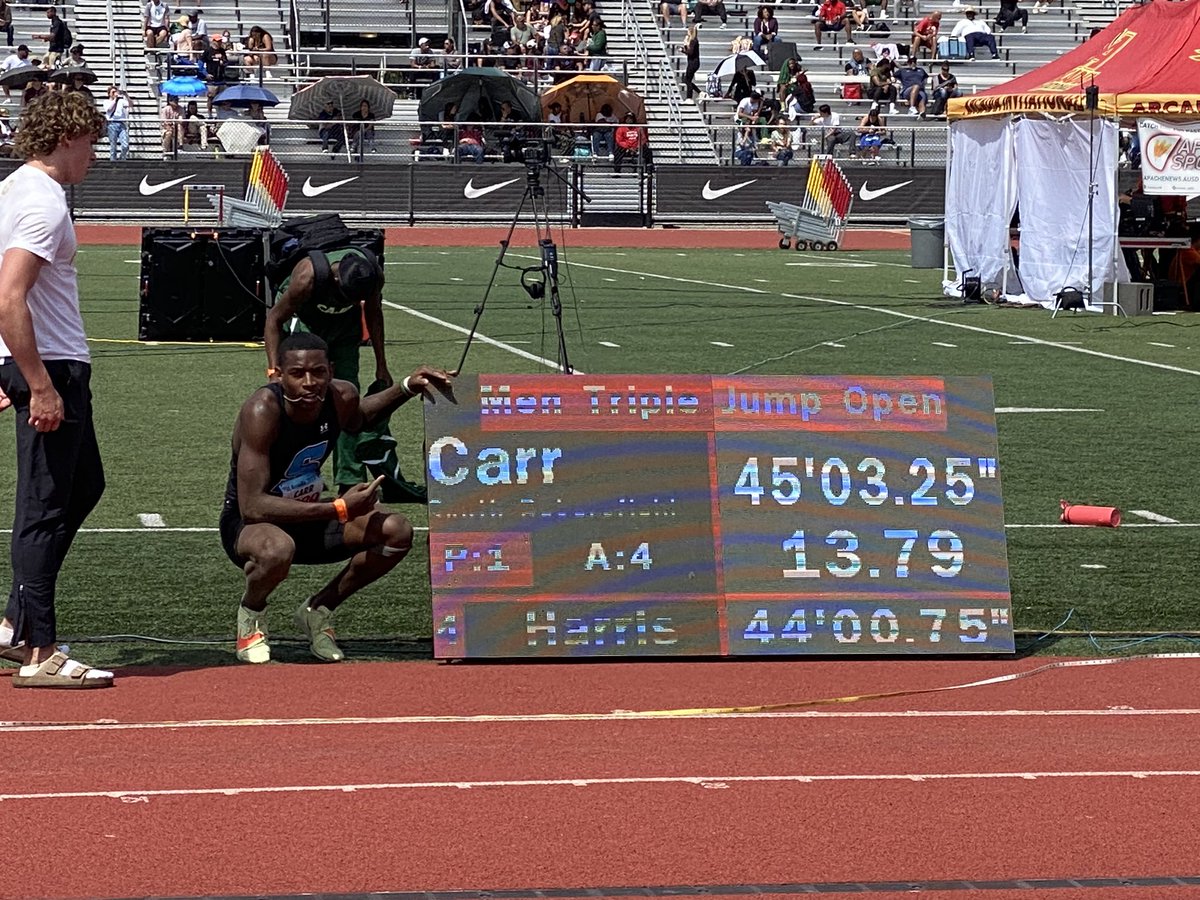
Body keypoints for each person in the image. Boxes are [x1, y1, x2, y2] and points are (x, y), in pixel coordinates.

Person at [223, 331, 454, 664]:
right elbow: (253, 505)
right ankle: (251, 614)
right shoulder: (262, 410)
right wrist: (340, 507)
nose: (309, 382)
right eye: (297, 374)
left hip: (311, 514)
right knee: (277, 550)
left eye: (318, 372)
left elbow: (361, 418)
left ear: (330, 370)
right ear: (278, 373)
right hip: (252, 525)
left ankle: (318, 610)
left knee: (396, 531)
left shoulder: (340, 396)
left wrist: (407, 385)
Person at [0, 91, 113, 688]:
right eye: (92, 141)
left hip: (42, 363)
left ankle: (17, 619)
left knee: (83, 485)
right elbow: (9, 296)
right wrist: (38, 385)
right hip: (53, 368)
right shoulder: (42, 202)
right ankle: (39, 652)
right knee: (42, 510)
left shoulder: (17, 187)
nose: (95, 154)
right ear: (68, 137)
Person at [263, 238, 392, 496]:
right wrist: (274, 370)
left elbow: (374, 315)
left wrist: (382, 364)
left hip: (344, 331)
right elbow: (274, 320)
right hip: (307, 327)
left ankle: (350, 479)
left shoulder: (372, 275)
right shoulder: (306, 279)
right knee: (304, 402)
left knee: (347, 399)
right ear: (336, 281)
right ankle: (295, 477)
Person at [680, 24, 700, 100]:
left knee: (687, 80)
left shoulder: (693, 41)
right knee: (687, 79)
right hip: (694, 62)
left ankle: (689, 97)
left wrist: (684, 46)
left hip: (693, 63)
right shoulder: (694, 41)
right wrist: (684, 48)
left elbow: (690, 52)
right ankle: (699, 92)